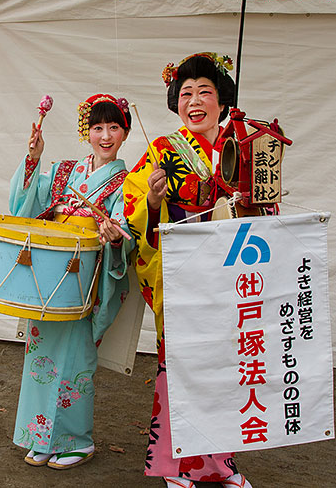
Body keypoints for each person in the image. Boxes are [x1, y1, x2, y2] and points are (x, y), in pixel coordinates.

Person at [122, 53, 253, 488]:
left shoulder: (243, 146)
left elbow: (266, 204)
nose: (194, 101)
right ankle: (175, 464)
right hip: (180, 270)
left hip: (232, 270)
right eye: (186, 93)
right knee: (179, 366)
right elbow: (133, 208)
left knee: (227, 366)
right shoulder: (162, 149)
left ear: (223, 101)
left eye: (205, 92)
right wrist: (155, 202)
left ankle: (221, 463)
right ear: (176, 102)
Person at [9, 94, 134, 470]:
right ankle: (41, 436)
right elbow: (27, 205)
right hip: (51, 275)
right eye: (98, 128)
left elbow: (126, 226)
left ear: (125, 133)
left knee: (76, 360)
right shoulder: (66, 172)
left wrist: (114, 234)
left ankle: (77, 441)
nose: (106, 135)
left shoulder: (126, 182)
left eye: (114, 127)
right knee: (40, 356)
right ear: (88, 133)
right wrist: (34, 158)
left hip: (84, 281)